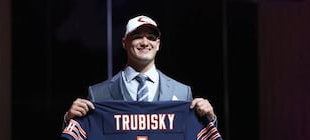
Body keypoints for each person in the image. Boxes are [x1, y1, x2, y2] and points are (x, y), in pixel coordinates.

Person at [63, 14, 217, 126]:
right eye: (137, 36)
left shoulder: (182, 93)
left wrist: (209, 119)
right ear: (124, 42)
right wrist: (70, 120)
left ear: (158, 44)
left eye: (151, 37)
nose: (145, 42)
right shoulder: (98, 94)